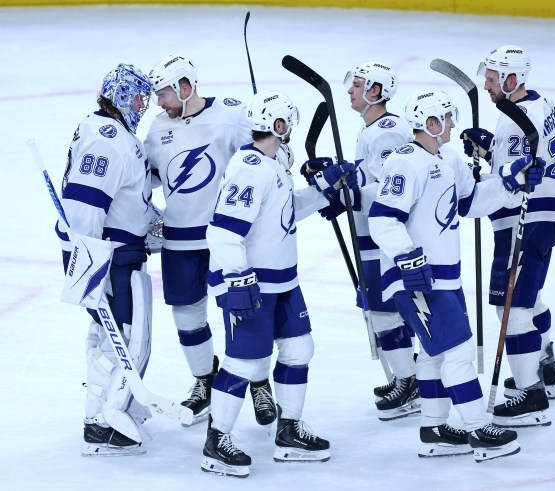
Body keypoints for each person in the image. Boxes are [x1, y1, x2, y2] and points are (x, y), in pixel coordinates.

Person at [368, 88, 544, 462]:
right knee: (459, 351)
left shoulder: (448, 158)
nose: (452, 125)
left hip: (445, 277)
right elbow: (383, 218)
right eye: (447, 118)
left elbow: (471, 202)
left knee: (435, 355)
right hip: (417, 278)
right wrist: (408, 258)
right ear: (430, 123)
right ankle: (478, 427)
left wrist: (511, 180)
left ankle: (434, 429)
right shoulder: (405, 162)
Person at [202, 91, 356, 478]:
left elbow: (283, 212)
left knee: (299, 349)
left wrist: (323, 195)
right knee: (244, 362)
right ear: (278, 126)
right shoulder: (251, 168)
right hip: (252, 282)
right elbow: (222, 232)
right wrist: (237, 278)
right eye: (287, 123)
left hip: (283, 280)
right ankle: (216, 441)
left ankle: (288, 432)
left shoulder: (273, 164)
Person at [144, 54, 276, 427]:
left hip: (228, 239)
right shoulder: (157, 128)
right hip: (179, 241)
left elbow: (267, 157)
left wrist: (280, 152)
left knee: (244, 313)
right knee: (187, 316)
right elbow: (146, 180)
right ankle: (204, 380)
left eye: (165, 93)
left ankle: (259, 381)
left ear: (186, 87)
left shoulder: (233, 115)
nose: (160, 102)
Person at [460, 45, 555, 426]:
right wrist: (489, 148)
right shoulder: (540, 105)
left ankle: (530, 394)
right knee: (529, 295)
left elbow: (507, 182)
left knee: (511, 306)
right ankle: (544, 366)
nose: (487, 85)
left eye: (492, 79)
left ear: (512, 80)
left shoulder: (512, 119)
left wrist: (477, 181)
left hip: (525, 217)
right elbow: (524, 157)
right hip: (549, 213)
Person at [304, 61, 419, 421]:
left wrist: (352, 195)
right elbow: (370, 181)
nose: (350, 91)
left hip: (383, 238)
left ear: (375, 91)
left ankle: (409, 383)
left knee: (383, 313)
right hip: (374, 232)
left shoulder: (385, 132)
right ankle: (407, 376)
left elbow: (391, 190)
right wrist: (339, 193)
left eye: (357, 85)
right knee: (380, 311)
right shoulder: (374, 128)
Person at [56, 63, 154, 456]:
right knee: (124, 338)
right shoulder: (108, 137)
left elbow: (123, 193)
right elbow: (85, 208)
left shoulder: (109, 131)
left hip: (116, 253)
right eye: (136, 96)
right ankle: (102, 425)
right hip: (108, 258)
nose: (142, 104)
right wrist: (88, 270)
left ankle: (111, 408)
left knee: (109, 335)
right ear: (117, 95)